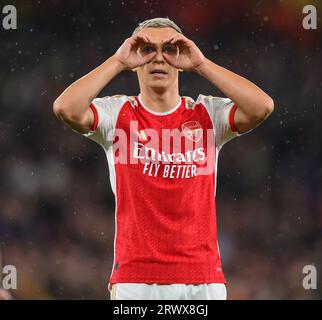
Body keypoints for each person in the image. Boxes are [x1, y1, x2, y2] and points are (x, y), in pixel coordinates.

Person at [53, 17, 274, 300]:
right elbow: (65, 108)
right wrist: (117, 61)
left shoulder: (206, 114)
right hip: (138, 279)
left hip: (202, 278)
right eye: (146, 49)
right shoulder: (117, 114)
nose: (158, 58)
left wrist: (201, 64)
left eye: (170, 49)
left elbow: (263, 106)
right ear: (134, 59)